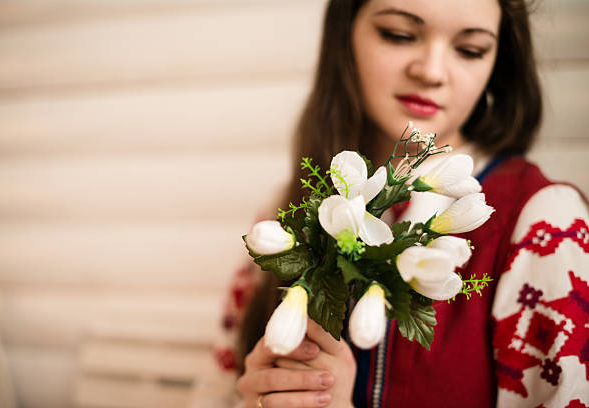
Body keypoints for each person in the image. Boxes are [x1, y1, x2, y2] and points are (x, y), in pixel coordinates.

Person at [189, 0, 589, 407]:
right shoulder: (285, 212)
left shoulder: (543, 221)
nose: (431, 71)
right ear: (345, 36)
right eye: (399, 35)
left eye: (470, 50)